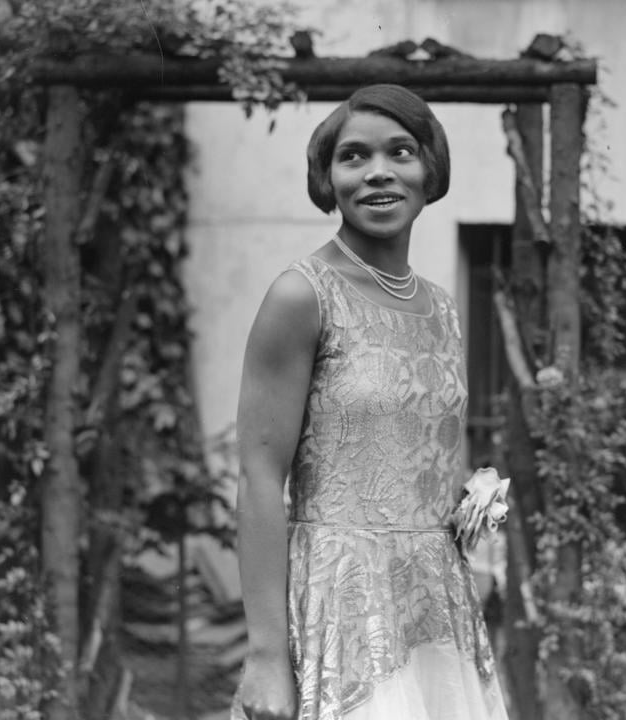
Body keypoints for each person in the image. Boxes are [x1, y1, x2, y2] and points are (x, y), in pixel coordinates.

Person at [231, 84, 509, 720]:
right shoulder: (301, 296)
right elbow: (258, 476)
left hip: (437, 608)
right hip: (342, 602)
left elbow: (432, 459)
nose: (379, 172)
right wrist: (267, 657)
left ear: (430, 170)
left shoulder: (441, 308)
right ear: (327, 179)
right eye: (353, 156)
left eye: (401, 151)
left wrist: (478, 521)